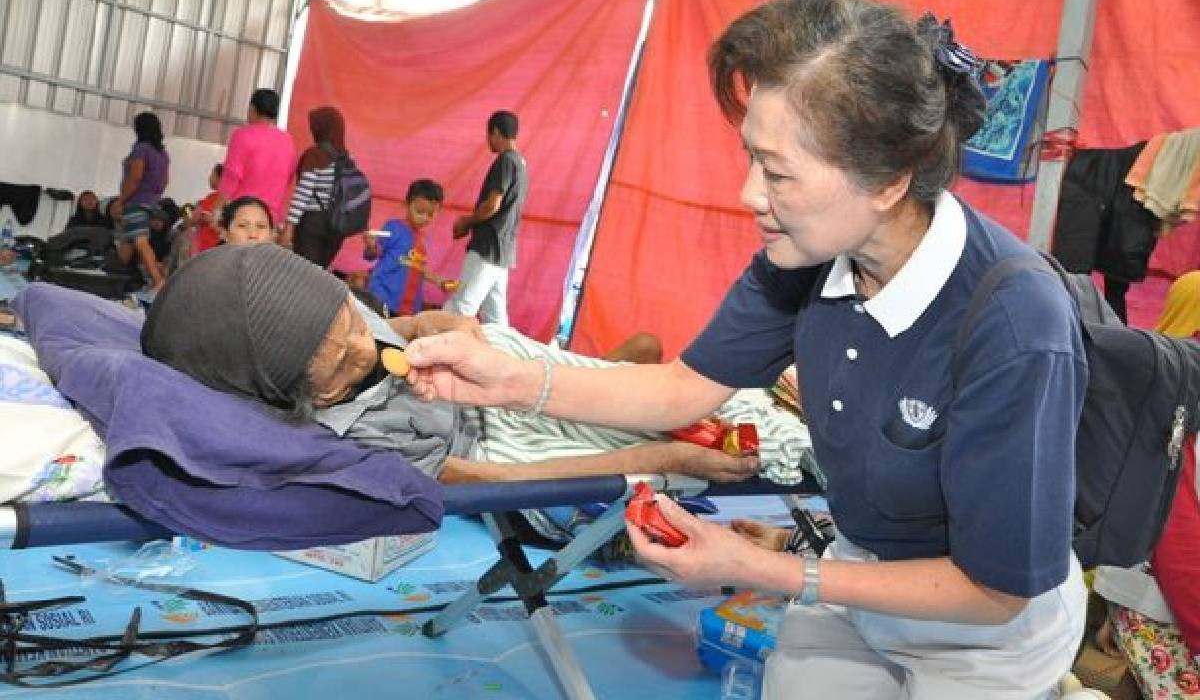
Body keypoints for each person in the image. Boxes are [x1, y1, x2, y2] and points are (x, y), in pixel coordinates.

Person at [401, 0, 1088, 699]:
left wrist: (763, 568)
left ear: (887, 182)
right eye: (751, 158)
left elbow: (997, 589)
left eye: (778, 171)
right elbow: (681, 387)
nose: (747, 194)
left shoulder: (1015, 323)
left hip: (982, 638)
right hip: (860, 584)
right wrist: (509, 377)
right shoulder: (809, 256)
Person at [140, 245, 813, 540]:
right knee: (730, 441)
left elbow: (397, 327)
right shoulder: (345, 444)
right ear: (288, 393)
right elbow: (494, 478)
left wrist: (442, 326)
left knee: (682, 388)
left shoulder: (330, 317)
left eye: (350, 319)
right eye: (341, 365)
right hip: (502, 434)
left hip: (499, 360)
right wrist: (664, 465)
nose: (368, 350)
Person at [444, 110, 528, 325]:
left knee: (461, 306)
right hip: (503, 250)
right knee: (495, 317)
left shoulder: (506, 161)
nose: (488, 141)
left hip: (488, 246)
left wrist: (467, 221)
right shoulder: (520, 164)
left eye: (489, 135)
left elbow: (492, 205)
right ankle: (503, 354)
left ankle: (432, 350)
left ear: (496, 132)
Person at [365, 178, 457, 316]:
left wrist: (439, 281)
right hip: (382, 297)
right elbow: (371, 255)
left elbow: (417, 267)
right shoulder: (393, 227)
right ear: (406, 205)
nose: (425, 218)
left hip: (407, 306)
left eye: (431, 215)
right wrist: (371, 245)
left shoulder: (423, 240)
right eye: (420, 212)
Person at [281, 106, 351, 267]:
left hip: (313, 224)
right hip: (336, 228)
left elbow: (303, 193)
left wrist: (289, 227)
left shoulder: (315, 155)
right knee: (319, 274)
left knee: (305, 274)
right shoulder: (348, 158)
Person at [216, 88, 296, 228]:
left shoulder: (242, 135)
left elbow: (231, 176)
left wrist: (218, 209)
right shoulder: (287, 141)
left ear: (252, 108)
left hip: (242, 215)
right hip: (269, 219)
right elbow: (289, 178)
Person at [111, 112, 170, 290]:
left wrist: (120, 201)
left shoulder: (141, 149)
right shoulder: (162, 153)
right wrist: (153, 198)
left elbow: (135, 178)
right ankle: (113, 277)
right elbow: (165, 181)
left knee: (139, 241)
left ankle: (158, 281)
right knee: (127, 242)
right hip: (152, 202)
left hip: (136, 202)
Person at [190, 165, 223, 255]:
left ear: (220, 178)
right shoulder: (209, 198)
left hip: (216, 249)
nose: (209, 178)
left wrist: (210, 219)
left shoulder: (227, 200)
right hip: (203, 248)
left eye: (212, 175)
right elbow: (194, 219)